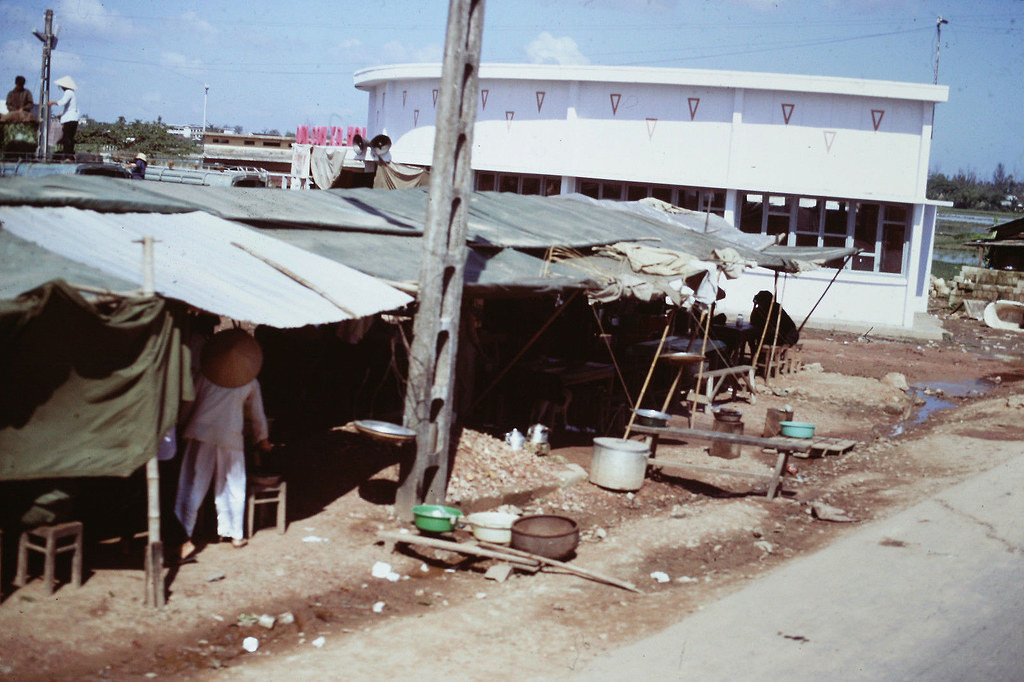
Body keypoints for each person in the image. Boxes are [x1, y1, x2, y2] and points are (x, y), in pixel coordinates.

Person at [174, 329, 272, 562]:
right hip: (231, 437)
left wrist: (181, 424)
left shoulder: (205, 376)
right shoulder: (250, 382)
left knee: (192, 485)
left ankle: (183, 537)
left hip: (200, 434)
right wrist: (263, 439)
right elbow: (258, 415)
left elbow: (189, 405)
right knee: (234, 484)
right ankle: (235, 535)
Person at [47, 75, 79, 159]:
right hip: (73, 118)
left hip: (70, 119)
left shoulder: (68, 92)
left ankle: (68, 156)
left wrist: (52, 102)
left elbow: (62, 102)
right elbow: (70, 107)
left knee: (67, 138)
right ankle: (69, 155)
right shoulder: (72, 94)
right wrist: (62, 114)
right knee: (69, 138)